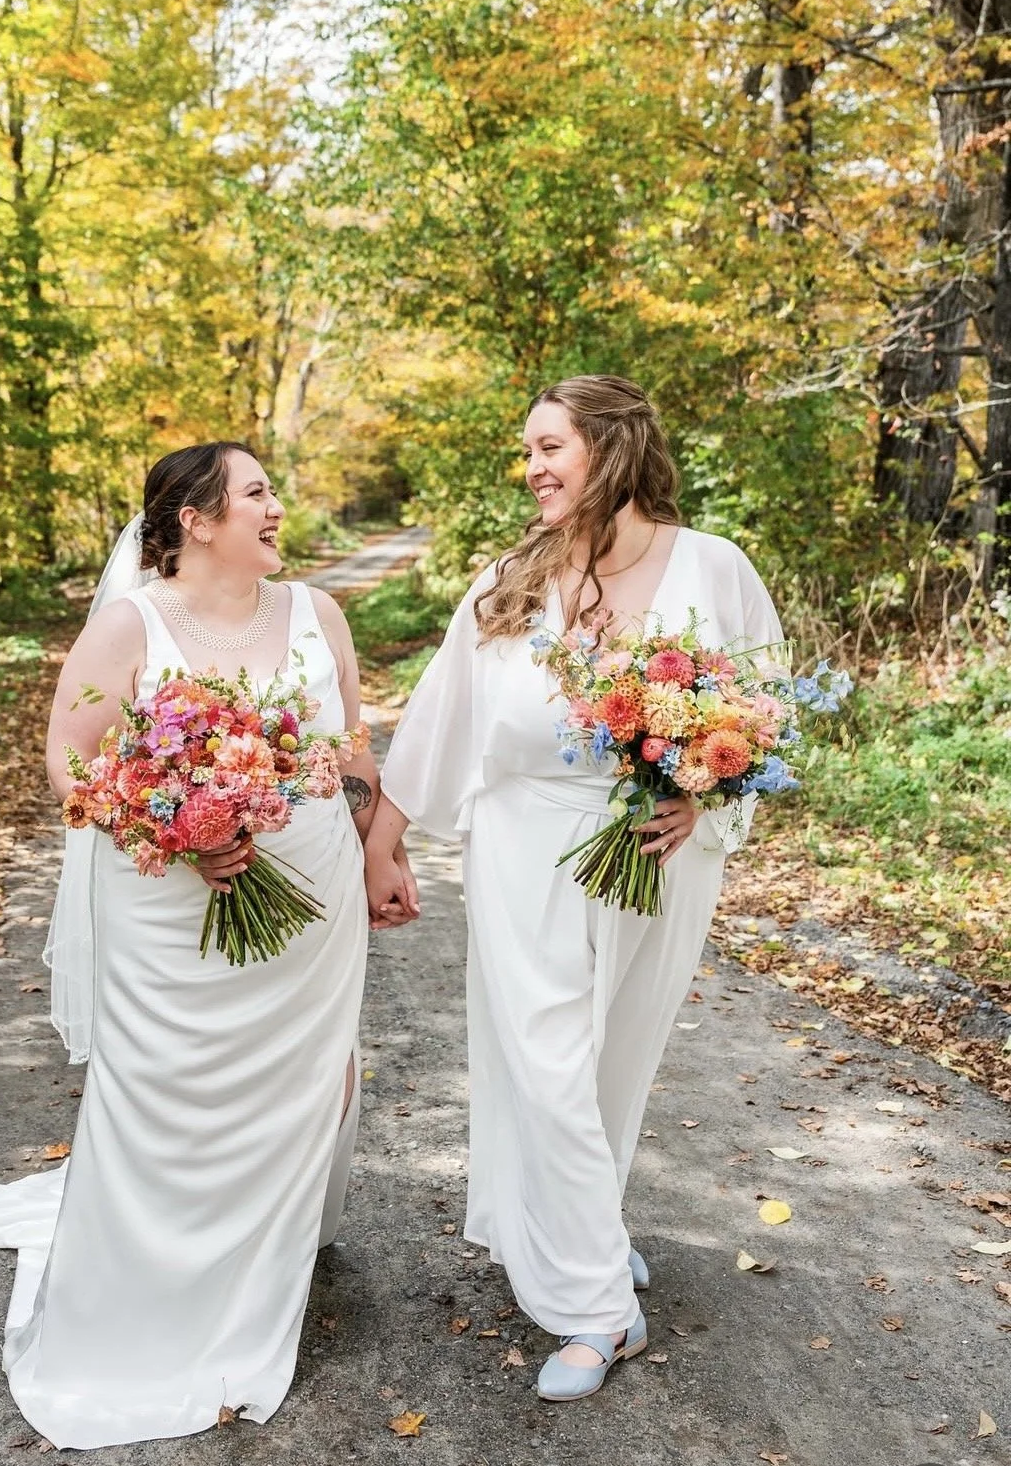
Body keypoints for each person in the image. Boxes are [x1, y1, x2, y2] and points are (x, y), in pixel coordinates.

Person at [0, 441, 407, 1448]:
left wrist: (375, 852)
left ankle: (271, 1253)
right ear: (193, 519)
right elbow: (71, 766)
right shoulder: (130, 626)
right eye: (257, 493)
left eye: (274, 489)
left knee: (303, 1076)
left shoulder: (319, 618)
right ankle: (154, 1288)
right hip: (168, 903)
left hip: (311, 893)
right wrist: (172, 828)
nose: (278, 508)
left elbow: (351, 750)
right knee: (167, 1085)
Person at [363, 376, 785, 1402]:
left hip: (657, 855)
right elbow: (438, 720)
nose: (534, 469)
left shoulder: (714, 568)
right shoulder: (509, 580)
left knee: (613, 1065)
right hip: (523, 850)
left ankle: (581, 1233)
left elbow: (765, 712)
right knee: (546, 1064)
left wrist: (705, 797)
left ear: (614, 446)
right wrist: (385, 841)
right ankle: (600, 1313)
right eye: (530, 452)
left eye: (550, 447)